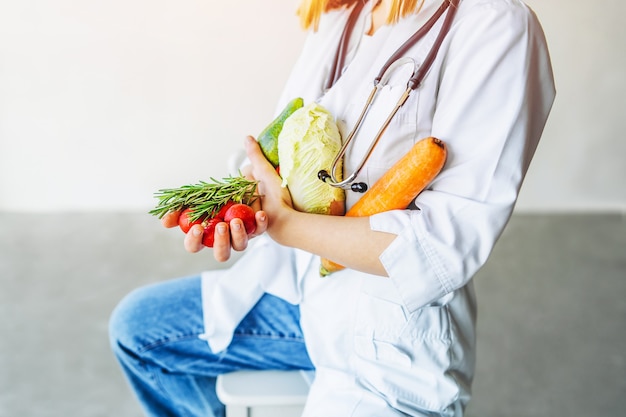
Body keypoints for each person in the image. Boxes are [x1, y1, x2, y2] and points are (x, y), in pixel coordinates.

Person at [109, 0, 555, 415]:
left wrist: (286, 224)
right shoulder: (343, 16)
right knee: (138, 329)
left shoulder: (496, 25)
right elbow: (285, 161)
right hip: (302, 299)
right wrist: (239, 206)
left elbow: (441, 249)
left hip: (386, 339)